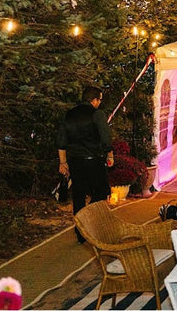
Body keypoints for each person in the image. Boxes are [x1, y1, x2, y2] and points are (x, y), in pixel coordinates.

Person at [57, 86, 114, 243]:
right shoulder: (97, 114)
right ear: (94, 100)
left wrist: (63, 162)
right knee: (102, 190)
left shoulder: (69, 115)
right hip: (93, 160)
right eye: (99, 100)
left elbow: (61, 141)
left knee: (79, 195)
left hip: (75, 161)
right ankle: (90, 219)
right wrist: (110, 155)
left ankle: (80, 232)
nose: (99, 103)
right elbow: (105, 138)